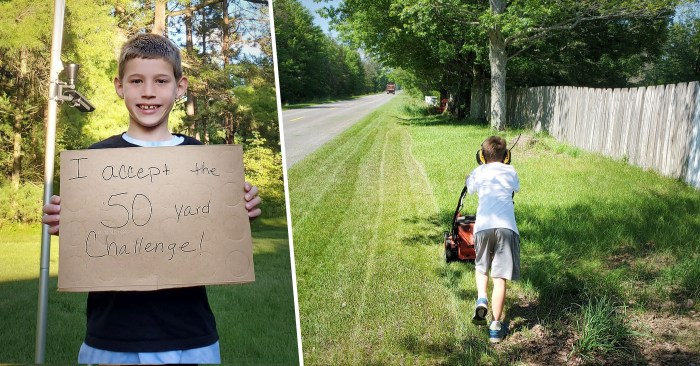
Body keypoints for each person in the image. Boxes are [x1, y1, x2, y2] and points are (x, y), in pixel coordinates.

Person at [41, 33, 262, 364]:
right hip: (111, 338)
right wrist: (67, 221)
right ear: (120, 86)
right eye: (136, 81)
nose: (148, 91)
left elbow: (217, 233)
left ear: (180, 86)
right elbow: (87, 235)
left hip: (190, 335)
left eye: (161, 80)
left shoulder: (203, 160)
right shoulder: (96, 160)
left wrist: (241, 211)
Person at [466, 135, 520, 344]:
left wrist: (470, 176)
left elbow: (470, 188)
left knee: (482, 267)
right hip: (506, 228)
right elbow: (516, 188)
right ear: (506, 155)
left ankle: (482, 298)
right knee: (500, 278)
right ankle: (496, 327)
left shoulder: (478, 172)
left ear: (482, 156)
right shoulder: (511, 171)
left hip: (483, 227)